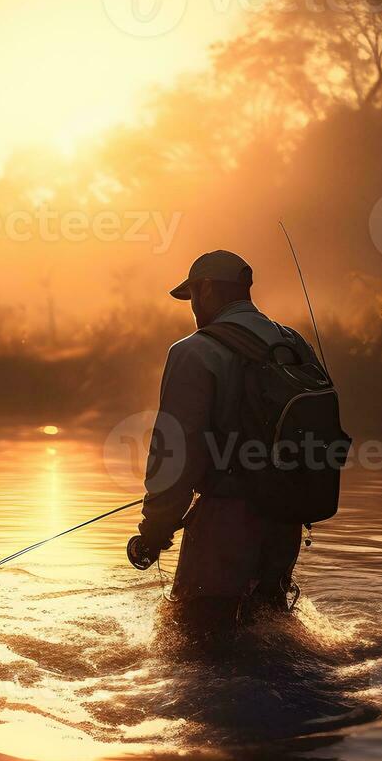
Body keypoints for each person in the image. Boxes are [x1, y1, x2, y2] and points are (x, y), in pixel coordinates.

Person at [128, 250, 322, 641]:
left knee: (195, 645)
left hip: (224, 523)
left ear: (207, 289)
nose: (193, 311)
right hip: (286, 518)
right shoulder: (294, 344)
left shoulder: (193, 351)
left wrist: (154, 531)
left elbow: (174, 454)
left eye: (193, 298)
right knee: (269, 636)